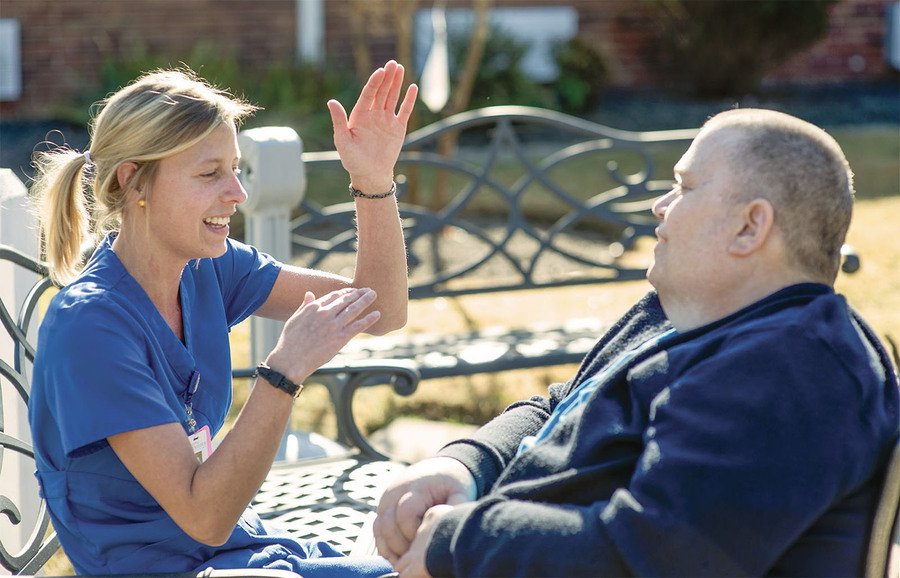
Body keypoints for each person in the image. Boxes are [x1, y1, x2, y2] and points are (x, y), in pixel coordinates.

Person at [372, 108, 900, 577]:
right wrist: (465, 463)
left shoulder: (792, 372)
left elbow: (648, 557)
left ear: (750, 227)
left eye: (685, 187)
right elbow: (566, 405)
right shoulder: (689, 314)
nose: (660, 205)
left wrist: (457, 542)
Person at [28, 61, 417, 575]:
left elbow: (381, 309)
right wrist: (284, 372)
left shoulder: (206, 268)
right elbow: (204, 517)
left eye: (236, 169)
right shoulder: (90, 328)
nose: (237, 193)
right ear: (135, 182)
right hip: (176, 567)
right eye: (211, 174)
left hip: (242, 552)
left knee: (442, 544)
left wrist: (372, 180)